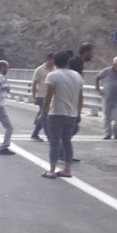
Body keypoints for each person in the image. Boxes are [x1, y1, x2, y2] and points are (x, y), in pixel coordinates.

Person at [37, 51, 84, 179]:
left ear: (55, 62)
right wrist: (78, 113)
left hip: (57, 113)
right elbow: (80, 97)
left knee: (54, 142)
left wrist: (42, 113)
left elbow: (48, 96)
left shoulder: (53, 75)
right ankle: (67, 170)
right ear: (67, 62)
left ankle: (52, 170)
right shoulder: (77, 76)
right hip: (72, 114)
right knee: (67, 141)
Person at [30, 53, 54, 141]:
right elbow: (34, 84)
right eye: (52, 61)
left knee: (42, 114)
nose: (54, 63)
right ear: (48, 60)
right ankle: (49, 136)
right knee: (45, 115)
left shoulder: (55, 69)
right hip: (41, 95)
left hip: (50, 96)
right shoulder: (39, 70)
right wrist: (34, 96)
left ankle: (35, 133)